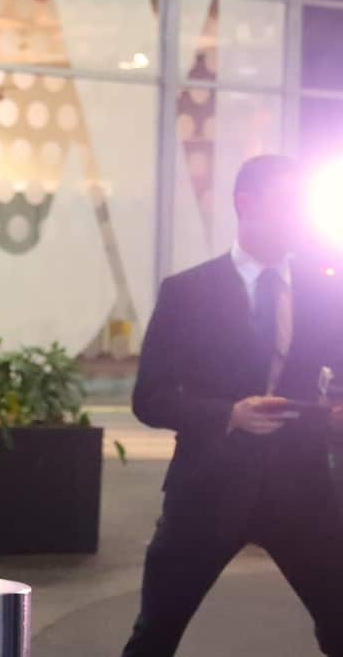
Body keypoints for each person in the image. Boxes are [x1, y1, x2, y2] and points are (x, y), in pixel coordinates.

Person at [122, 154, 343, 656]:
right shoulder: (188, 292)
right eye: (288, 204)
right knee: (155, 634)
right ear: (247, 205)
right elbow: (149, 399)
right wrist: (228, 415)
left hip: (301, 489)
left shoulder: (325, 290)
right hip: (208, 489)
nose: (299, 217)